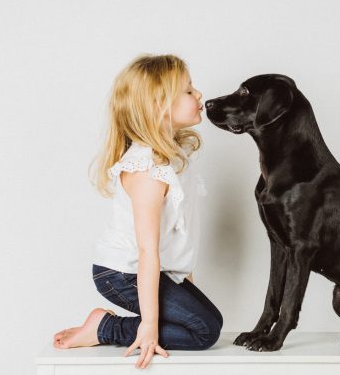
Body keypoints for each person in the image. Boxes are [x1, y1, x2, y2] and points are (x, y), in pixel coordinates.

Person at [52, 54, 223, 369]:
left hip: (148, 270)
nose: (199, 95)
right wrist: (147, 326)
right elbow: (147, 251)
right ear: (159, 106)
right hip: (121, 273)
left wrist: (187, 290)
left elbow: (179, 233)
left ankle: (112, 325)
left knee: (211, 321)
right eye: (188, 91)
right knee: (205, 332)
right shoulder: (146, 169)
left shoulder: (172, 158)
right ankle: (105, 328)